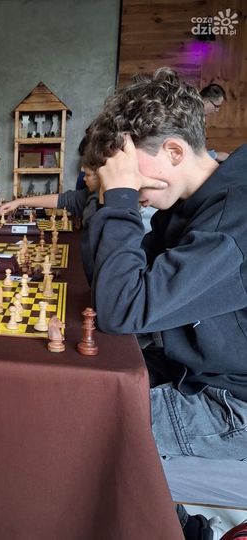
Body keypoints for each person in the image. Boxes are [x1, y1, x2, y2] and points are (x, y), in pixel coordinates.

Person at [83, 67, 247, 539]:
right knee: (81, 389)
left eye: (134, 177)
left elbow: (122, 309)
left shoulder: (232, 221)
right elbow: (109, 287)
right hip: (196, 370)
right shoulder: (188, 208)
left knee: (88, 428)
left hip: (233, 403)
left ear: (174, 152)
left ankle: (187, 533)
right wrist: (112, 199)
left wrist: (119, 198)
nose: (135, 193)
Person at [200, 83, 229, 162]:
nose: (217, 110)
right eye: (217, 106)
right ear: (206, 101)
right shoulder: (188, 118)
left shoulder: (199, 118)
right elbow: (188, 153)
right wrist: (215, 155)